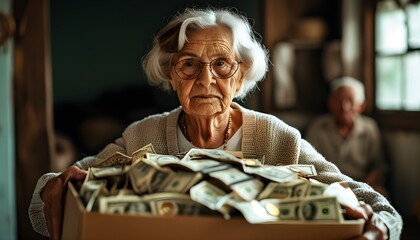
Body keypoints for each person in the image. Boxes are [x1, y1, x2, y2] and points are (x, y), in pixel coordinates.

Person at [29, 7, 402, 240]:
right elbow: (42, 203)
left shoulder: (277, 139)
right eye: (188, 64)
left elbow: (376, 204)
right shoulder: (144, 135)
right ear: (171, 77)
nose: (205, 80)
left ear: (240, 78)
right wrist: (57, 188)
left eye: (221, 65)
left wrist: (381, 227)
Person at [306, 77, 389, 196]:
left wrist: (361, 187)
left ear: (361, 106)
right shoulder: (317, 128)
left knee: (382, 194)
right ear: (330, 102)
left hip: (362, 184)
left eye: (350, 100)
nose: (344, 107)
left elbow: (379, 167)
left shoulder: (369, 128)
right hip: (326, 184)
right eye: (339, 100)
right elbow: (308, 164)